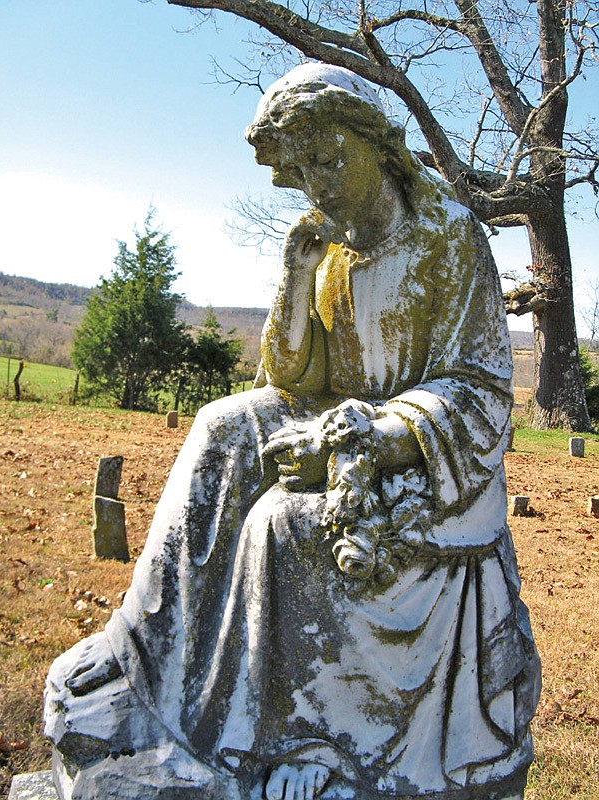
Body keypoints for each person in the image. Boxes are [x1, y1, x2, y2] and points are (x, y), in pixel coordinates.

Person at [45, 64, 541, 800]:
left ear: (378, 144)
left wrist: (360, 438)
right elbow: (293, 379)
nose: (318, 182)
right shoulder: (328, 246)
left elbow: (479, 391)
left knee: (281, 524)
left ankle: (306, 738)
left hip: (426, 459)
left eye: (330, 157)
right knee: (219, 427)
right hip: (340, 421)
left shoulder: (448, 239)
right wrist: (296, 275)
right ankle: (144, 652)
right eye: (301, 167)